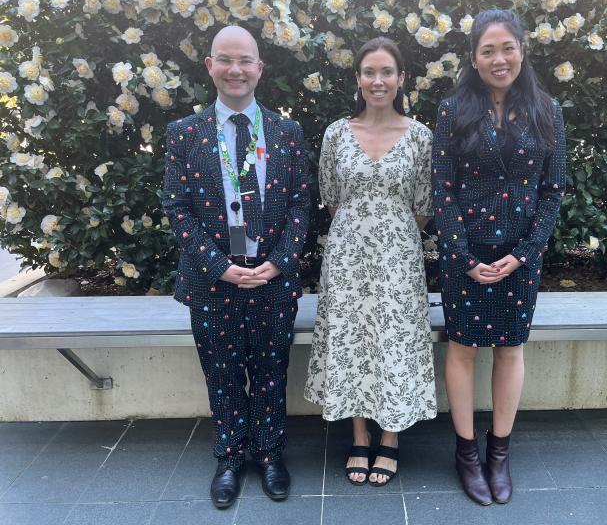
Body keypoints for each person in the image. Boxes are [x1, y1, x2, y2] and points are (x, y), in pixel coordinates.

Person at [162, 25, 310, 508]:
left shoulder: (286, 133)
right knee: (221, 372)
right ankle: (228, 456)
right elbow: (177, 209)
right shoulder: (184, 134)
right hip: (213, 282)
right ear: (209, 66)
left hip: (272, 279)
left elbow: (300, 208)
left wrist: (279, 264)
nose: (235, 70)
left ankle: (268, 454)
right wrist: (217, 266)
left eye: (245, 60)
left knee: (270, 369)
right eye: (225, 60)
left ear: (259, 68)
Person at [432, 9, 566, 505]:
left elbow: (553, 192)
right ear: (473, 58)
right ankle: (466, 453)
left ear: (522, 50)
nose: (498, 58)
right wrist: (463, 254)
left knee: (510, 349)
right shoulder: (452, 112)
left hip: (519, 257)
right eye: (487, 50)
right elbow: (441, 190)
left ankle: (499, 454)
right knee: (463, 350)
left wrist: (526, 254)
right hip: (464, 255)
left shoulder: (548, 111)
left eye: (506, 47)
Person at [304, 37, 436, 487]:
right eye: (368, 72)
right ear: (357, 79)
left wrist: (386, 231)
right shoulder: (336, 134)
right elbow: (330, 197)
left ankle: (391, 437)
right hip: (345, 260)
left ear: (401, 80)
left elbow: (422, 205)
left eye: (386, 73)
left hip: (399, 260)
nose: (377, 81)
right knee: (353, 339)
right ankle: (359, 434)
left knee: (393, 341)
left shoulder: (420, 137)